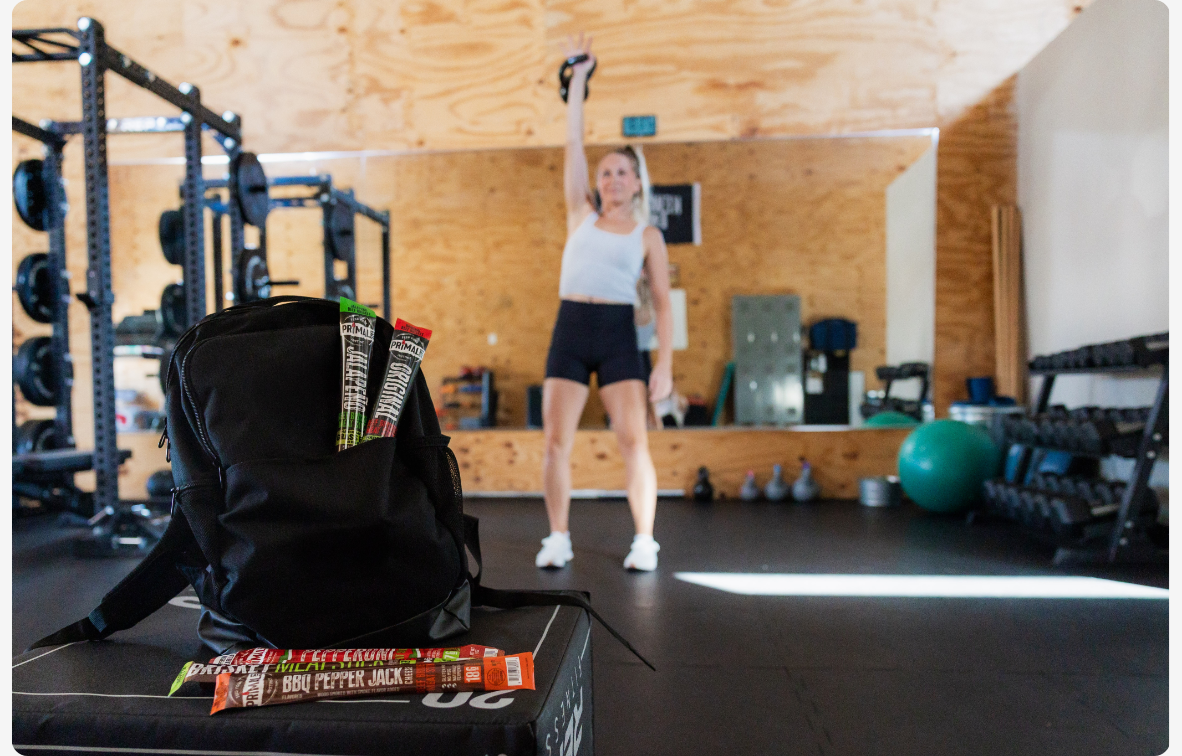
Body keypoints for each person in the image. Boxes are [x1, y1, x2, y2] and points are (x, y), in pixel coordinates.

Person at [536, 34, 673, 572]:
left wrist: (665, 364)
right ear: (597, 182)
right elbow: (573, 141)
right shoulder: (581, 215)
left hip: (617, 334)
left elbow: (662, 303)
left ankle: (645, 541)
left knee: (633, 442)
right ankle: (558, 537)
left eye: (622, 171)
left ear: (637, 183)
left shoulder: (647, 235)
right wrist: (579, 80)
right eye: (605, 172)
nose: (613, 178)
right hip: (571, 327)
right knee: (555, 442)